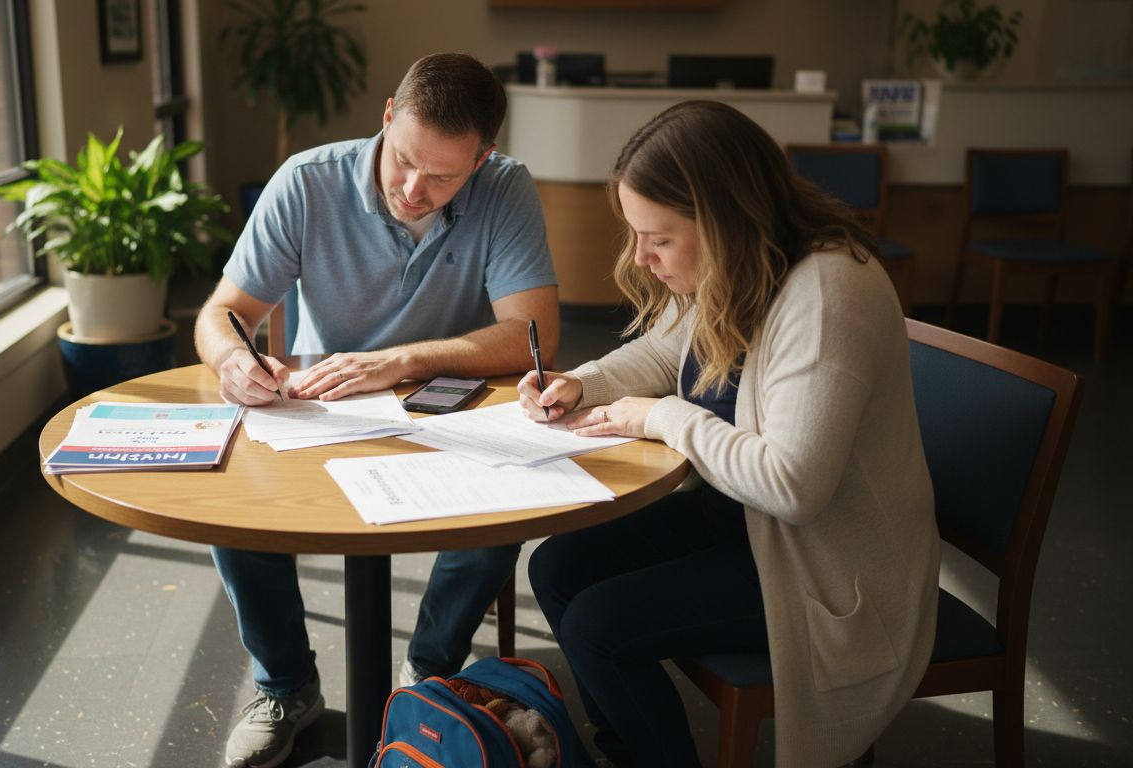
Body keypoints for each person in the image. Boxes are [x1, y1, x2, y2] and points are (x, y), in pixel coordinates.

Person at [517, 101, 940, 767]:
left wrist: (662, 418)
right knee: (557, 567)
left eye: (658, 239)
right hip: (751, 525)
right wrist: (584, 381)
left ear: (722, 220)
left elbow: (793, 486)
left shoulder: (826, 293)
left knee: (598, 626)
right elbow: (665, 353)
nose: (642, 258)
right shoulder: (748, 261)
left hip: (824, 566)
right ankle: (634, 747)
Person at [194, 53, 559, 768]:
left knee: (504, 513)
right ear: (387, 116)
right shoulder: (306, 180)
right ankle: (287, 686)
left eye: (444, 176)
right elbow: (222, 313)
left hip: (448, 416)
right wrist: (234, 361)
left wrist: (404, 359)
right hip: (319, 413)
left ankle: (428, 674)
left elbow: (531, 337)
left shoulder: (507, 188)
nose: (414, 190)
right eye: (403, 162)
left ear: (482, 159)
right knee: (230, 510)